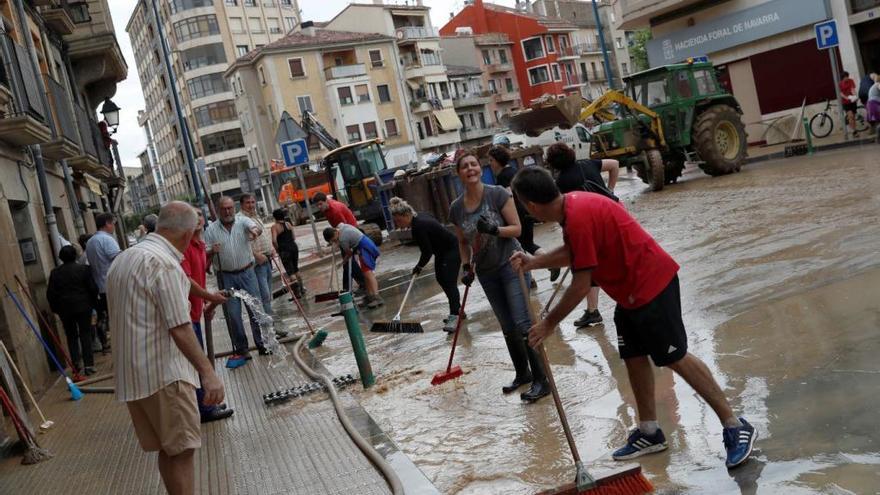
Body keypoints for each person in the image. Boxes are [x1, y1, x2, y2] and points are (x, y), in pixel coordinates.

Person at [509, 167, 757, 468]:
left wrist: (549, 323)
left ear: (530, 206)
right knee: (634, 355)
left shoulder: (577, 217)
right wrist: (537, 262)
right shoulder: (573, 206)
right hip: (629, 293)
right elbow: (577, 250)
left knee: (674, 356)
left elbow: (581, 284)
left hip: (652, 285)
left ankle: (734, 424)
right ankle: (650, 432)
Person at [107, 201, 225, 495]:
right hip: (166, 376)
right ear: (186, 235)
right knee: (183, 450)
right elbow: (180, 327)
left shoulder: (126, 258)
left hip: (136, 378)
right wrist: (208, 372)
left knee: (169, 450)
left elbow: (180, 286)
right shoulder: (164, 263)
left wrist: (208, 295)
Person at [449, 151, 549, 402]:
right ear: (459, 173)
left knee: (523, 322)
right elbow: (463, 242)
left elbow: (517, 228)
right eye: (465, 166)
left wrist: (494, 229)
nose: (470, 168)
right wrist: (465, 267)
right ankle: (522, 374)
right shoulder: (456, 208)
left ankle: (542, 380)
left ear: (480, 169)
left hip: (512, 263)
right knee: (507, 326)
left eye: (474, 164)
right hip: (486, 271)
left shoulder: (497, 194)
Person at [546, 142, 619, 328]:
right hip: (614, 213)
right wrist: (610, 190)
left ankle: (595, 310)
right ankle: (593, 310)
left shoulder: (561, 182)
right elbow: (614, 164)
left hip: (591, 224)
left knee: (587, 267)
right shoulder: (588, 164)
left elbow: (566, 211)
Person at [203, 196, 269, 368]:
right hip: (226, 276)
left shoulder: (243, 221)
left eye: (230, 208)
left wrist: (254, 232)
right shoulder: (211, 230)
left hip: (247, 272)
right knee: (233, 314)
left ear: (234, 208)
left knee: (256, 308)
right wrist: (211, 250)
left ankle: (263, 344)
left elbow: (254, 227)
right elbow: (204, 251)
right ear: (218, 210)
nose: (228, 212)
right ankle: (241, 348)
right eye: (224, 209)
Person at [181, 208, 233, 423]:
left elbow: (201, 276)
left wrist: (206, 304)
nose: (198, 219)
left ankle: (207, 403)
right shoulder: (184, 248)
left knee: (200, 360)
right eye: (193, 216)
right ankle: (205, 410)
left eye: (200, 215)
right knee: (198, 363)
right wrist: (209, 297)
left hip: (195, 311)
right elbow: (186, 281)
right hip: (184, 315)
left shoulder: (200, 245)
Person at [488, 145, 560, 285]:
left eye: (491, 160)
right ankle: (537, 273)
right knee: (527, 244)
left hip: (517, 216)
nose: (490, 163)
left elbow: (509, 198)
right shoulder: (514, 171)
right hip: (527, 213)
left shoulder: (504, 177)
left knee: (518, 247)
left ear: (497, 160)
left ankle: (541, 270)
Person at [389, 197, 461, 332]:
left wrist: (419, 267)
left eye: (398, 220)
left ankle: (455, 315)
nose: (398, 224)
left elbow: (426, 252)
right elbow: (432, 218)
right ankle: (458, 309)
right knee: (441, 278)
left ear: (406, 215)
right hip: (441, 251)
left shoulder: (418, 227)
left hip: (451, 249)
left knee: (448, 281)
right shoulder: (420, 216)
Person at [46, 245, 98, 375]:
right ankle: (89, 365)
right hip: (83, 306)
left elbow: (51, 294)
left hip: (65, 309)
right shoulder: (84, 269)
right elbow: (92, 288)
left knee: (71, 336)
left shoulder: (55, 273)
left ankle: (76, 364)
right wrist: (93, 303)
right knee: (85, 334)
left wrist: (56, 309)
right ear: (75, 256)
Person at [312, 192, 366, 293]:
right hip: (340, 233)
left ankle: (362, 283)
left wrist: (337, 242)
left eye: (320, 204)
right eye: (317, 205)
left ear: (325, 201)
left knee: (348, 260)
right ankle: (348, 287)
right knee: (347, 262)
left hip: (350, 234)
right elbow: (334, 226)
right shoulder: (326, 208)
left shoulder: (335, 211)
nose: (319, 207)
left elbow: (343, 227)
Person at [238, 194, 278, 328]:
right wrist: (255, 255)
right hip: (257, 263)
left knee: (268, 295)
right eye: (248, 203)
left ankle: (271, 325)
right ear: (242, 204)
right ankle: (269, 328)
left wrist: (271, 249)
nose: (251, 205)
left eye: (253, 202)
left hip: (267, 260)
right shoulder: (240, 220)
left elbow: (264, 235)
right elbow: (241, 244)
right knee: (263, 295)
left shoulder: (255, 216)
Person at [322, 223, 383, 308]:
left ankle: (377, 297)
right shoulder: (341, 227)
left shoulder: (343, 239)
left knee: (368, 274)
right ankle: (370, 297)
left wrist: (343, 262)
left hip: (365, 247)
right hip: (365, 244)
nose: (335, 242)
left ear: (335, 233)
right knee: (365, 274)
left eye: (334, 240)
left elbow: (349, 253)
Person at [86, 212, 121, 353]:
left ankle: (106, 344)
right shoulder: (107, 240)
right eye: (113, 223)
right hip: (111, 285)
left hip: (99, 287)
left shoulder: (90, 241)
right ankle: (120, 344)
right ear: (107, 223)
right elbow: (119, 259)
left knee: (104, 318)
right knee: (117, 317)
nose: (114, 226)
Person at [271, 208, 303, 297]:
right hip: (293, 247)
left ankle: (297, 294)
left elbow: (274, 241)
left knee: (290, 272)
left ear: (274, 217)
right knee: (296, 268)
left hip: (284, 250)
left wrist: (278, 250)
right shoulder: (288, 224)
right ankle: (302, 288)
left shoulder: (275, 227)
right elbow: (293, 237)